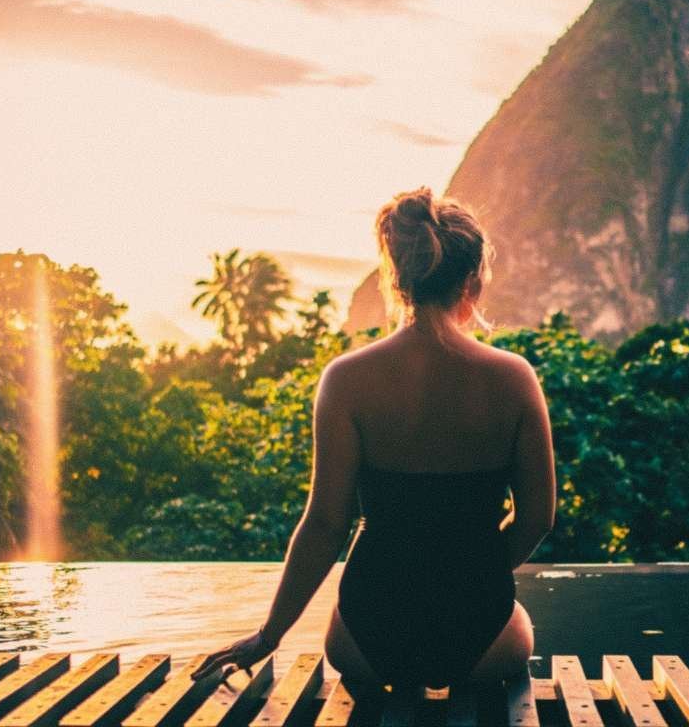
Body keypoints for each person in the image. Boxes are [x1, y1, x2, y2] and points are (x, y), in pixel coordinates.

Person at [191, 186, 556, 693]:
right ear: (473, 280)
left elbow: (325, 525)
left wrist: (267, 636)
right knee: (519, 624)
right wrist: (469, 571)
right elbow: (538, 517)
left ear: (397, 278)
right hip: (482, 630)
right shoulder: (513, 378)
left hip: (367, 635)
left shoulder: (347, 379)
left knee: (355, 645)